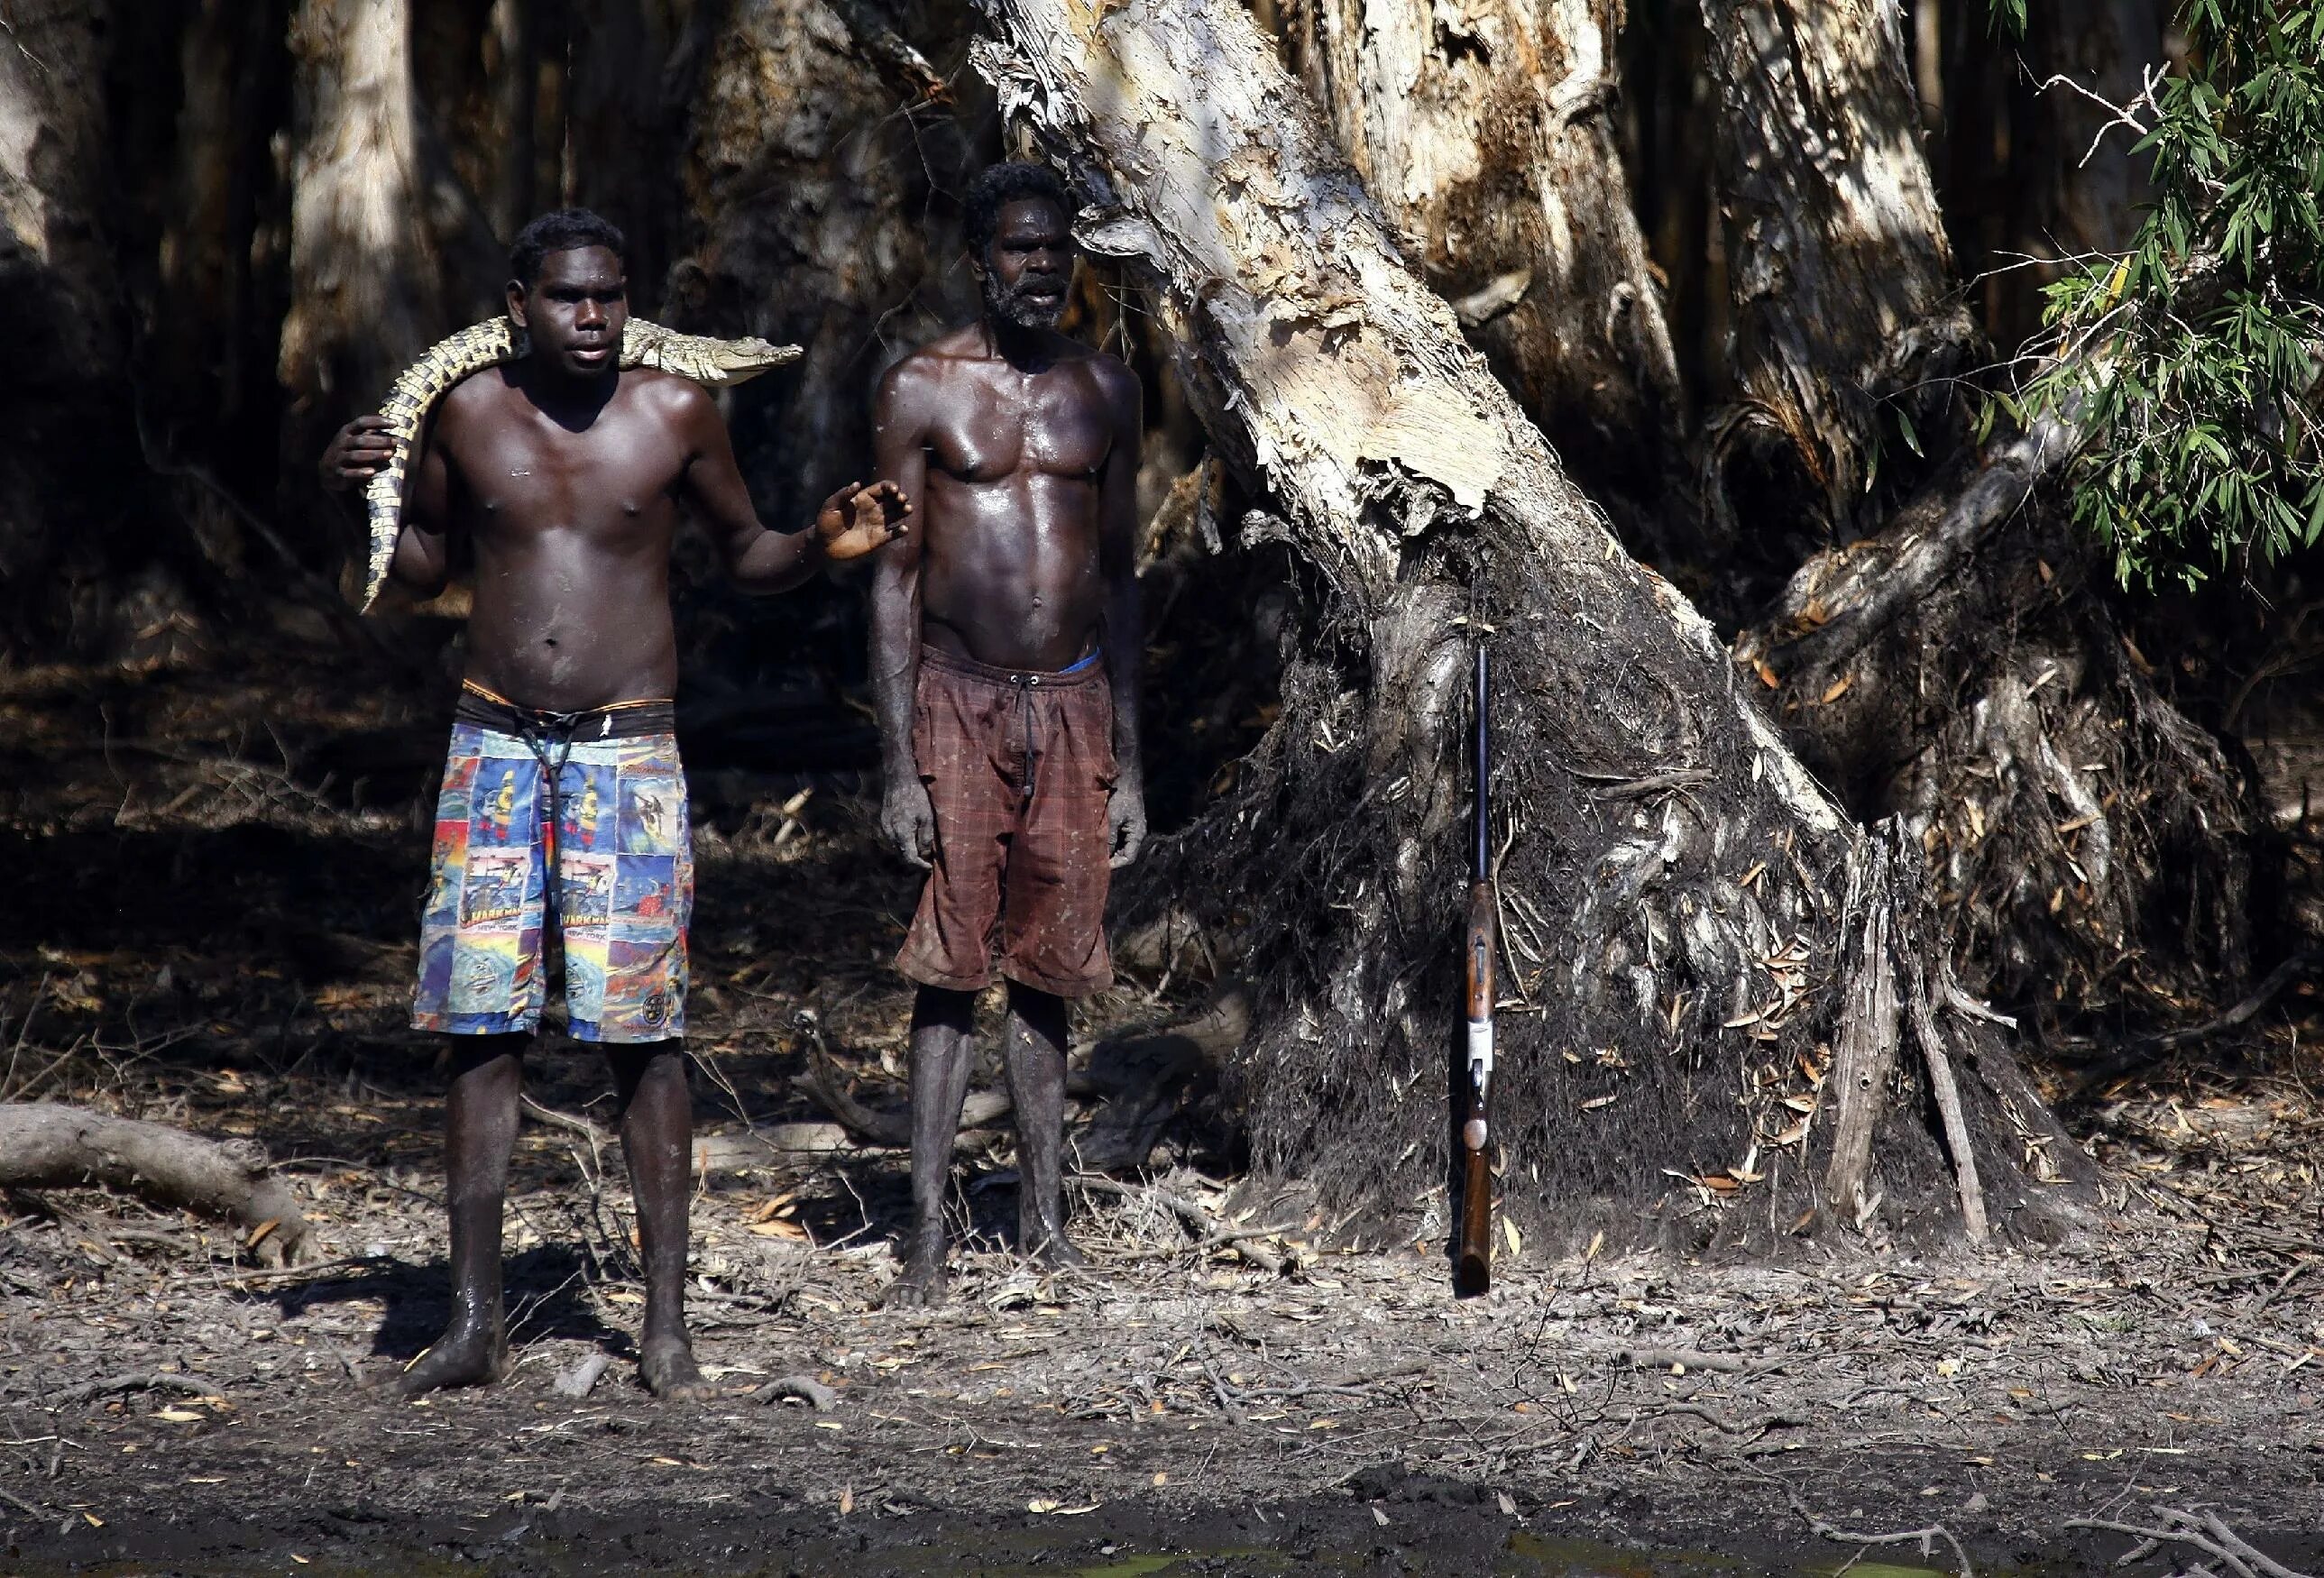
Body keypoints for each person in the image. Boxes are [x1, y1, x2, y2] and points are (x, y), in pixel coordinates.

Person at [319, 208, 908, 1397]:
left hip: (626, 755)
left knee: (645, 1036)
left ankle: (666, 1334)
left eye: (610, 295)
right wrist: (358, 489)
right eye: (568, 298)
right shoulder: (469, 409)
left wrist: (816, 546)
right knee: (481, 1028)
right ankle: (476, 1323)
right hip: (490, 742)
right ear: (518, 300)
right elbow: (425, 558)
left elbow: (744, 550)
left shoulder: (674, 411)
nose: (592, 319)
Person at [868, 162, 1145, 1306]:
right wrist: (897, 763)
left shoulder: (1106, 390)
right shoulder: (920, 389)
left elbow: (1123, 580)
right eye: (1021, 249)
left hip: (1076, 700)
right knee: (949, 968)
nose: (1043, 267)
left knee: (1053, 967)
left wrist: (1134, 760)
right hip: (956, 695)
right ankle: (926, 1238)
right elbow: (887, 577)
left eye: (1057, 248)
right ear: (982, 260)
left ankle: (1046, 1224)